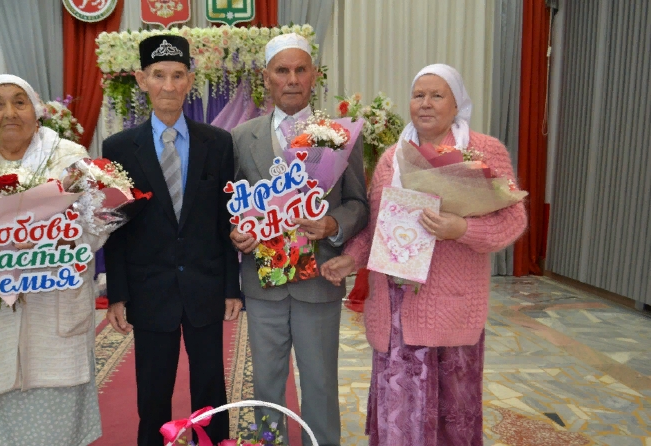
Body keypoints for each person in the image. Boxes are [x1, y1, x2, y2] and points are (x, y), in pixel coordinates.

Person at [321, 64, 528, 446]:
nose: (426, 103)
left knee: (452, 409)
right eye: (419, 95)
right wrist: (352, 258)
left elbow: (513, 221)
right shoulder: (392, 159)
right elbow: (376, 226)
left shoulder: (483, 152)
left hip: (451, 307)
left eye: (437, 95)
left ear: (456, 104)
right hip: (394, 308)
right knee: (399, 409)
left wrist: (461, 229)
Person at [0, 74, 103, 445]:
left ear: (36, 110)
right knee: (1, 424)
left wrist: (59, 237)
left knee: (57, 426)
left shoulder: (69, 158)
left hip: (54, 309)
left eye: (19, 102)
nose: (9, 112)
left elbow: (97, 222)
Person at [101, 35, 242, 446]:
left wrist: (231, 286)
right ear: (141, 79)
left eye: (178, 75)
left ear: (190, 80)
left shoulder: (217, 143)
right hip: (149, 290)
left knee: (210, 387)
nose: (168, 85)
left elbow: (226, 219)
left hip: (204, 285)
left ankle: (214, 442)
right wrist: (117, 294)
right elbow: (115, 225)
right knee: (153, 389)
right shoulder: (119, 148)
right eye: (158, 75)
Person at [229, 33, 369, 446]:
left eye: (300, 70)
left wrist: (333, 224)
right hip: (263, 283)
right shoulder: (242, 137)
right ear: (266, 78)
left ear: (314, 76)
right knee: (266, 383)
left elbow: (359, 203)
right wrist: (235, 232)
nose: (291, 79)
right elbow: (228, 204)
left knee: (321, 382)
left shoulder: (340, 135)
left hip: (319, 280)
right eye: (282, 70)